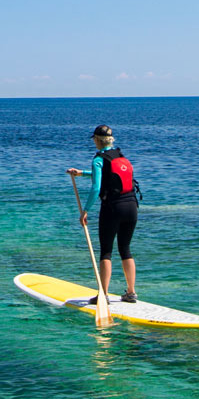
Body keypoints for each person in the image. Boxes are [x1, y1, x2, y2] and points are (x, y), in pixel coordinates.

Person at [67, 124, 139, 303]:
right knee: (125, 249)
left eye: (94, 140)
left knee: (106, 251)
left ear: (98, 140)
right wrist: (82, 173)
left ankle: (103, 294)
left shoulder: (98, 159)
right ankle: (131, 293)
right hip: (131, 206)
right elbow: (108, 174)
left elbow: (96, 187)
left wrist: (85, 210)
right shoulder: (120, 156)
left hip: (113, 208)